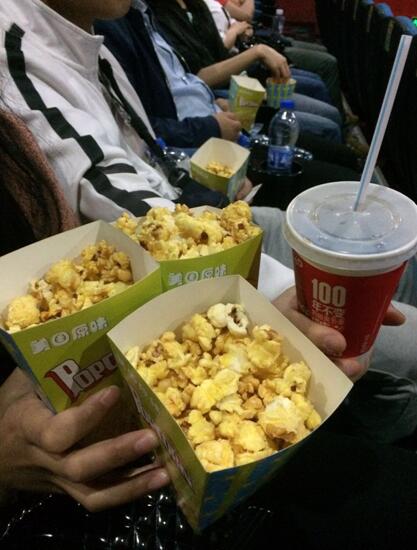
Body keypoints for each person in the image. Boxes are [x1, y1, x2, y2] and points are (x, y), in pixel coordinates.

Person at [145, 0, 344, 141]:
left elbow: (219, 53)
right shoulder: (157, 14)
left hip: (234, 80)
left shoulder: (195, 5)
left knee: (321, 93)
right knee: (328, 124)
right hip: (218, 95)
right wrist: (256, 52)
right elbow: (198, 76)